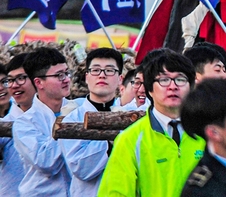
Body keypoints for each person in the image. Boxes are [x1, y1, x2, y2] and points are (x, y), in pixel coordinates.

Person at [98, 51, 204, 197]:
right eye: (164, 80)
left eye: (180, 79)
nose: (173, 86)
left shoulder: (209, 134)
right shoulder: (130, 140)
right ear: (149, 89)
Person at [59, 48, 123, 197]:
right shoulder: (72, 120)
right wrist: (112, 141)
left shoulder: (130, 115)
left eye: (109, 70)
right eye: (95, 70)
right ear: (87, 77)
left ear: (120, 78)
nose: (102, 75)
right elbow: (81, 168)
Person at [14, 47, 72, 197]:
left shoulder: (79, 110)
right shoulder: (24, 123)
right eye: (59, 75)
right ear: (39, 83)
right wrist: (65, 124)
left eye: (67, 73)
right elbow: (46, 163)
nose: (66, 79)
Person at [1, 53, 33, 196]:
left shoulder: (65, 114)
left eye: (20, 78)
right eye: (11, 80)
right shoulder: (5, 124)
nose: (13, 85)